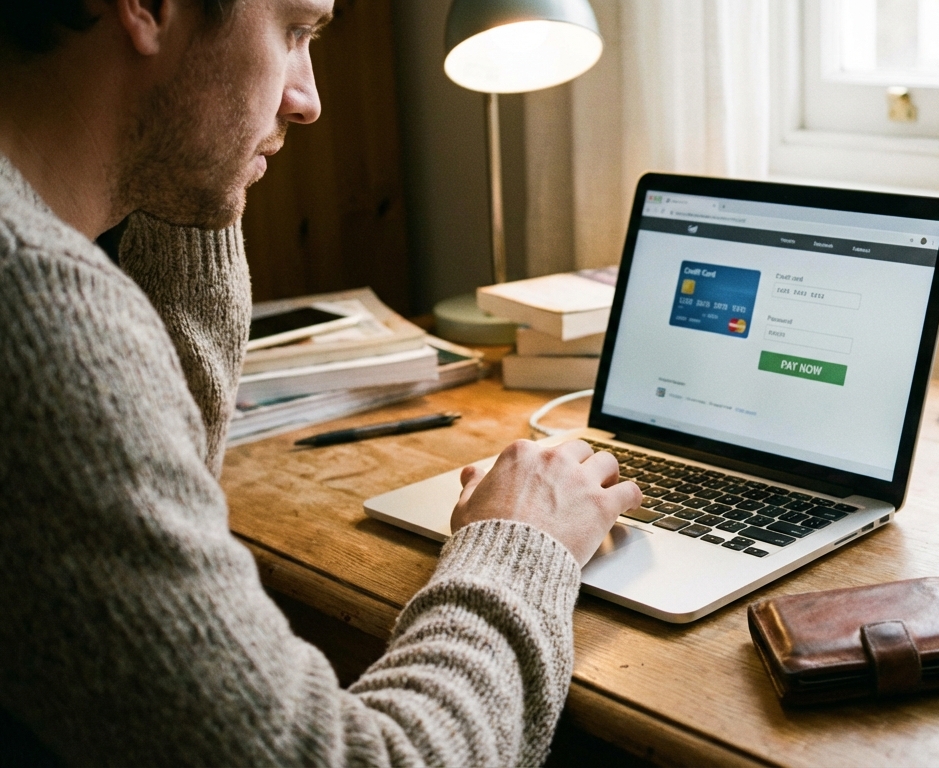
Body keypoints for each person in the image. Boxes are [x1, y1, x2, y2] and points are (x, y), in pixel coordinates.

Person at [0, 0, 639, 764]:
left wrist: (195, 169)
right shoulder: (34, 307)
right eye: (294, 32)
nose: (307, 101)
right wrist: (521, 543)